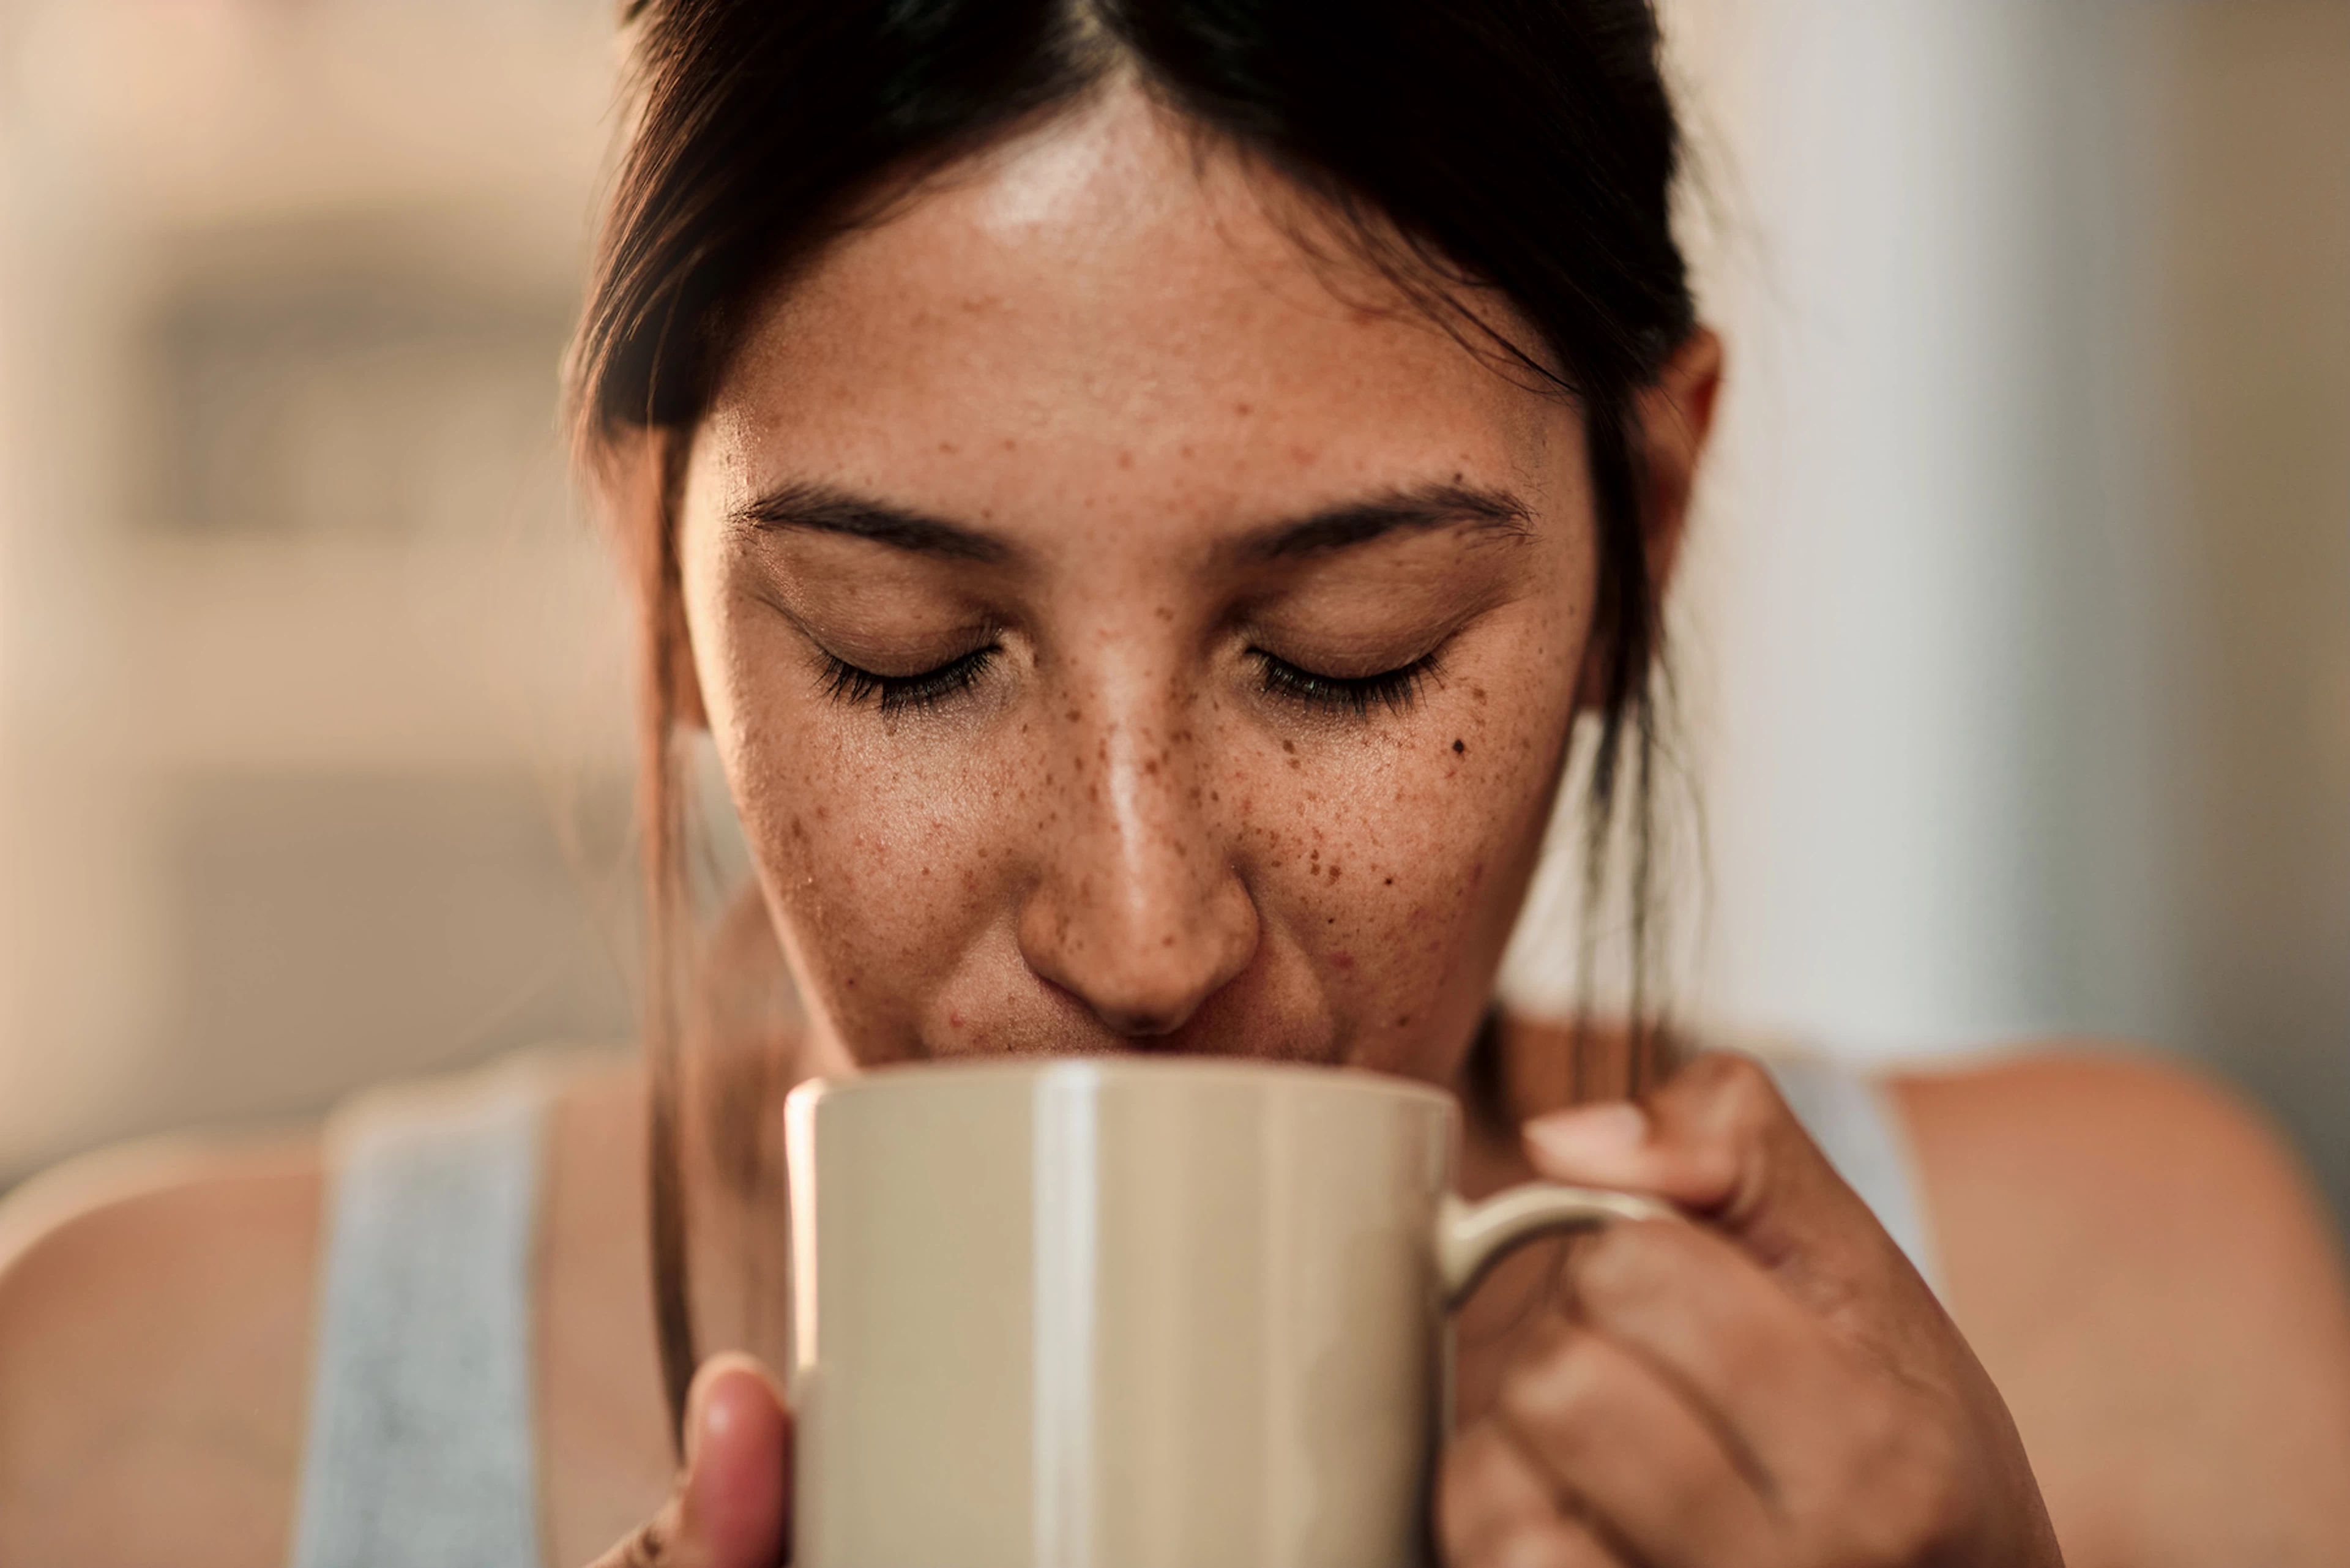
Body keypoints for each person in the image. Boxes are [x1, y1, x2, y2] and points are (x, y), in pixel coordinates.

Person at [4, 2, 2349, 1564]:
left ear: (1652, 538)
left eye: (1351, 661)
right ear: (661, 591)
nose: (1142, 935)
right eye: (906, 659)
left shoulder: (2119, 1329)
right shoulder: (133, 1426)